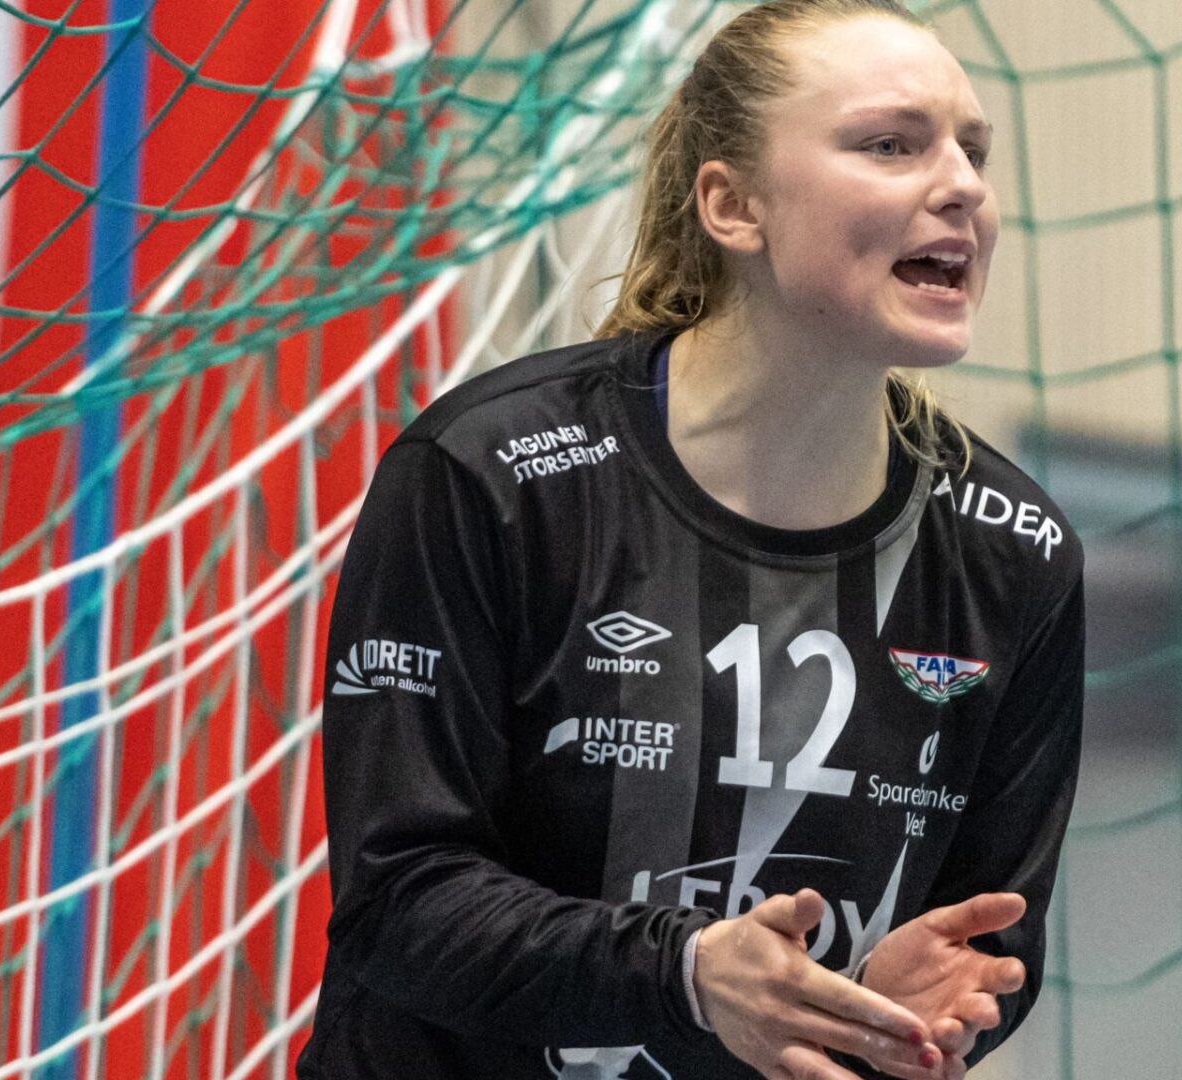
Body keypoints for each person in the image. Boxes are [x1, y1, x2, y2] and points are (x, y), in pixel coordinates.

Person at [296, 1, 1085, 1077]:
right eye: (891, 145)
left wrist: (900, 1012)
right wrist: (686, 973)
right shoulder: (492, 475)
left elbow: (994, 939)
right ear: (732, 204)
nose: (963, 188)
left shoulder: (1016, 553)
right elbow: (399, 900)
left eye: (973, 152)